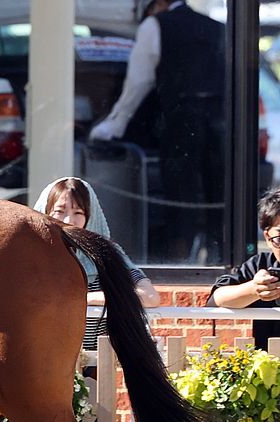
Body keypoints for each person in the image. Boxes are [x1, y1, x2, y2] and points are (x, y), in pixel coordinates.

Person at [89, 0, 225, 264]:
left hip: (181, 120)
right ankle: (217, 258)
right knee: (218, 193)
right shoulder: (217, 28)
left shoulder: (156, 25)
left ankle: (179, 261)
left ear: (158, 4)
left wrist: (114, 125)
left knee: (180, 191)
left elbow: (138, 82)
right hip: (220, 122)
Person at [35, 177, 161, 355]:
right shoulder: (32, 258)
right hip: (45, 360)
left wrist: (88, 297)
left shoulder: (108, 257)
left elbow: (150, 297)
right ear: (45, 212)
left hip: (97, 362)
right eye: (59, 211)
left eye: (78, 212)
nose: (69, 220)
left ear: (91, 217)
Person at [206, 187, 280, 351]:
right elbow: (215, 300)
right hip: (268, 362)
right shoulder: (261, 264)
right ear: (268, 238)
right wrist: (253, 289)